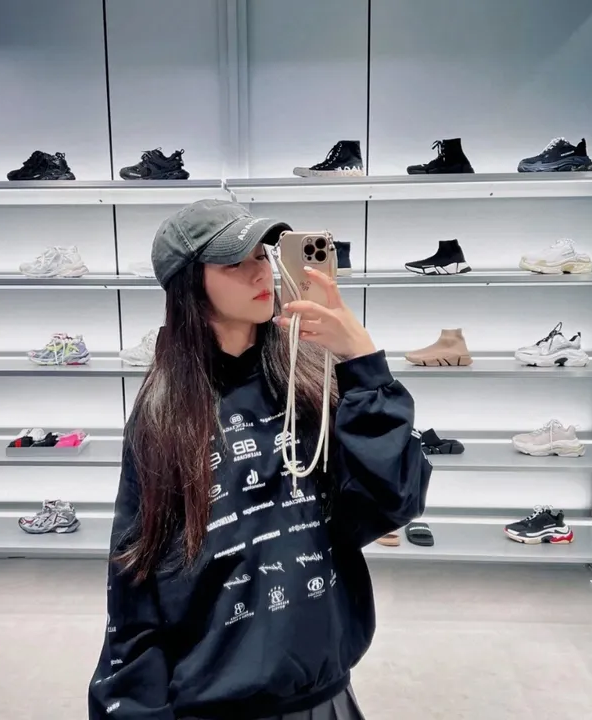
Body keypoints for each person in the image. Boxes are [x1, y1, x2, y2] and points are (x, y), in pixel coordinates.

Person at [88, 199, 432, 720]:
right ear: (190, 283)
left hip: (323, 691)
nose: (260, 273)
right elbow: (137, 577)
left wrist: (362, 361)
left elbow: (395, 501)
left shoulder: (309, 380)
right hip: (215, 701)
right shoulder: (164, 416)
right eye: (234, 262)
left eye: (261, 256)